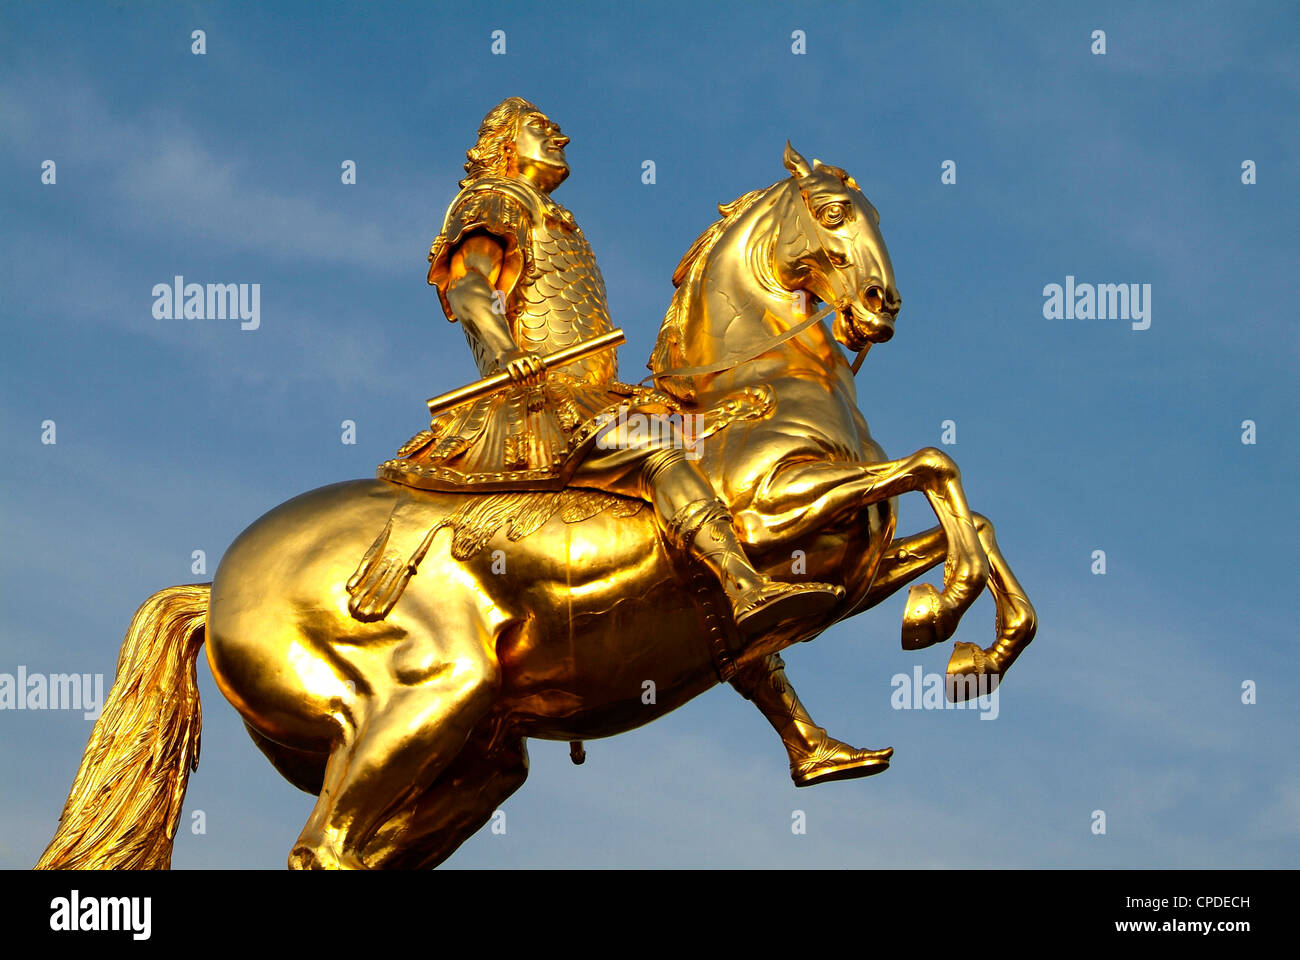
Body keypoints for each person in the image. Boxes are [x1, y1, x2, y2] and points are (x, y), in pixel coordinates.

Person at [402, 97, 889, 785]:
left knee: (706, 464)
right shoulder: (495, 200)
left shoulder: (553, 218)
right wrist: (504, 350)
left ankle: (802, 736)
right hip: (543, 406)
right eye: (543, 129)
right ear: (507, 144)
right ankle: (746, 587)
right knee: (660, 449)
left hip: (596, 398)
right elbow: (474, 289)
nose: (560, 134)